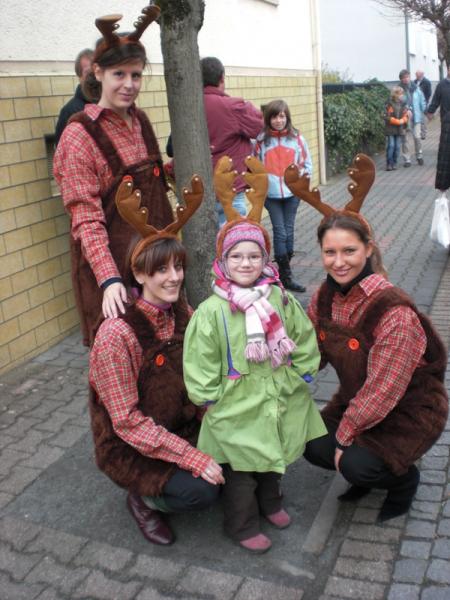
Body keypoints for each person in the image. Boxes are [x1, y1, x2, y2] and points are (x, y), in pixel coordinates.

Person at [284, 154, 448, 523]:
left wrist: (345, 439)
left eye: (349, 251)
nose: (338, 262)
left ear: (368, 250)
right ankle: (364, 466)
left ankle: (403, 479)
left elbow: (384, 391)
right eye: (330, 252)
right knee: (310, 444)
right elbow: (310, 355)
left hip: (409, 410)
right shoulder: (323, 299)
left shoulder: (394, 312)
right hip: (359, 399)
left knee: (353, 460)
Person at [183, 156, 327, 553]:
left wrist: (303, 373)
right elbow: (200, 358)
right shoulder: (213, 310)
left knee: (272, 458)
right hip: (236, 403)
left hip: (276, 393)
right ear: (223, 262)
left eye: (253, 256)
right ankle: (242, 525)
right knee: (242, 471)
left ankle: (273, 503)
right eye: (236, 257)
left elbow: (301, 336)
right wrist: (209, 398)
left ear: (265, 260)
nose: (245, 263)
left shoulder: (278, 298)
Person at [89, 174, 223, 546]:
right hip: (131, 444)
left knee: (239, 454)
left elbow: (205, 368)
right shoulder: (117, 335)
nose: (174, 277)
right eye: (161, 270)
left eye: (177, 267)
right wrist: (193, 459)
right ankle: (142, 499)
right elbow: (127, 422)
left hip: (178, 423)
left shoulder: (182, 312)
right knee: (203, 493)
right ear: (138, 273)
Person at [53, 3, 173, 346]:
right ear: (98, 74)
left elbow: (149, 188)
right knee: (124, 361)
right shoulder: (79, 136)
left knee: (166, 362)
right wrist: (109, 280)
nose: (129, 84)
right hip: (115, 274)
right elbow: (85, 217)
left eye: (135, 75)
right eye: (119, 74)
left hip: (157, 265)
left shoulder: (142, 121)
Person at [253, 99, 312, 292]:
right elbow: (254, 166)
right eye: (274, 117)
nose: (278, 120)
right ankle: (285, 276)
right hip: (271, 196)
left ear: (287, 117)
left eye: (281, 116)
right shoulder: (261, 141)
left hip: (292, 194)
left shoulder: (297, 139)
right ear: (268, 119)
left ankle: (284, 271)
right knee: (280, 231)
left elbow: (306, 165)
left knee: (289, 230)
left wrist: (301, 184)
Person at [201, 56, 264, 226]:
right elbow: (259, 126)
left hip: (199, 188)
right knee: (232, 243)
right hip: (230, 188)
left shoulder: (191, 107)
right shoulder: (232, 107)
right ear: (222, 78)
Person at [54, 49, 94, 146]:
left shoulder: (108, 105)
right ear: (79, 76)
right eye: (89, 73)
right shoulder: (69, 111)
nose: (94, 77)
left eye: (97, 71)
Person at [426, 64, 450, 192]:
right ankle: (443, 186)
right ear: (448, 69)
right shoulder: (442, 85)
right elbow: (435, 100)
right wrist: (430, 112)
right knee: (445, 155)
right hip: (447, 124)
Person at [398, 69, 426, 166]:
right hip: (404, 117)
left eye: (407, 77)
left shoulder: (416, 88)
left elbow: (422, 100)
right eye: (403, 78)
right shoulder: (398, 90)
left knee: (417, 137)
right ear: (401, 79)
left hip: (416, 116)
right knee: (405, 139)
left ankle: (419, 156)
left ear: (410, 77)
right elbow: (397, 103)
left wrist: (424, 110)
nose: (406, 79)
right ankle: (407, 159)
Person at [384, 86, 408, 171]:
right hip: (391, 129)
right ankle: (389, 163)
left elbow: (406, 114)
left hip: (399, 129)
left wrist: (404, 119)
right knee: (391, 146)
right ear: (396, 94)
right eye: (401, 94)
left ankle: (394, 163)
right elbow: (386, 116)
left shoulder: (403, 104)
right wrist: (396, 121)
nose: (402, 95)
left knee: (397, 147)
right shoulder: (389, 104)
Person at [414, 70, 432, 140]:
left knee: (422, 119)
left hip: (422, 103)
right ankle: (417, 132)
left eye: (417, 75)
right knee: (416, 118)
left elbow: (429, 93)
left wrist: (425, 101)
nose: (416, 76)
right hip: (415, 103)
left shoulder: (427, 82)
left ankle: (423, 133)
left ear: (422, 74)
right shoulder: (415, 82)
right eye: (416, 75)